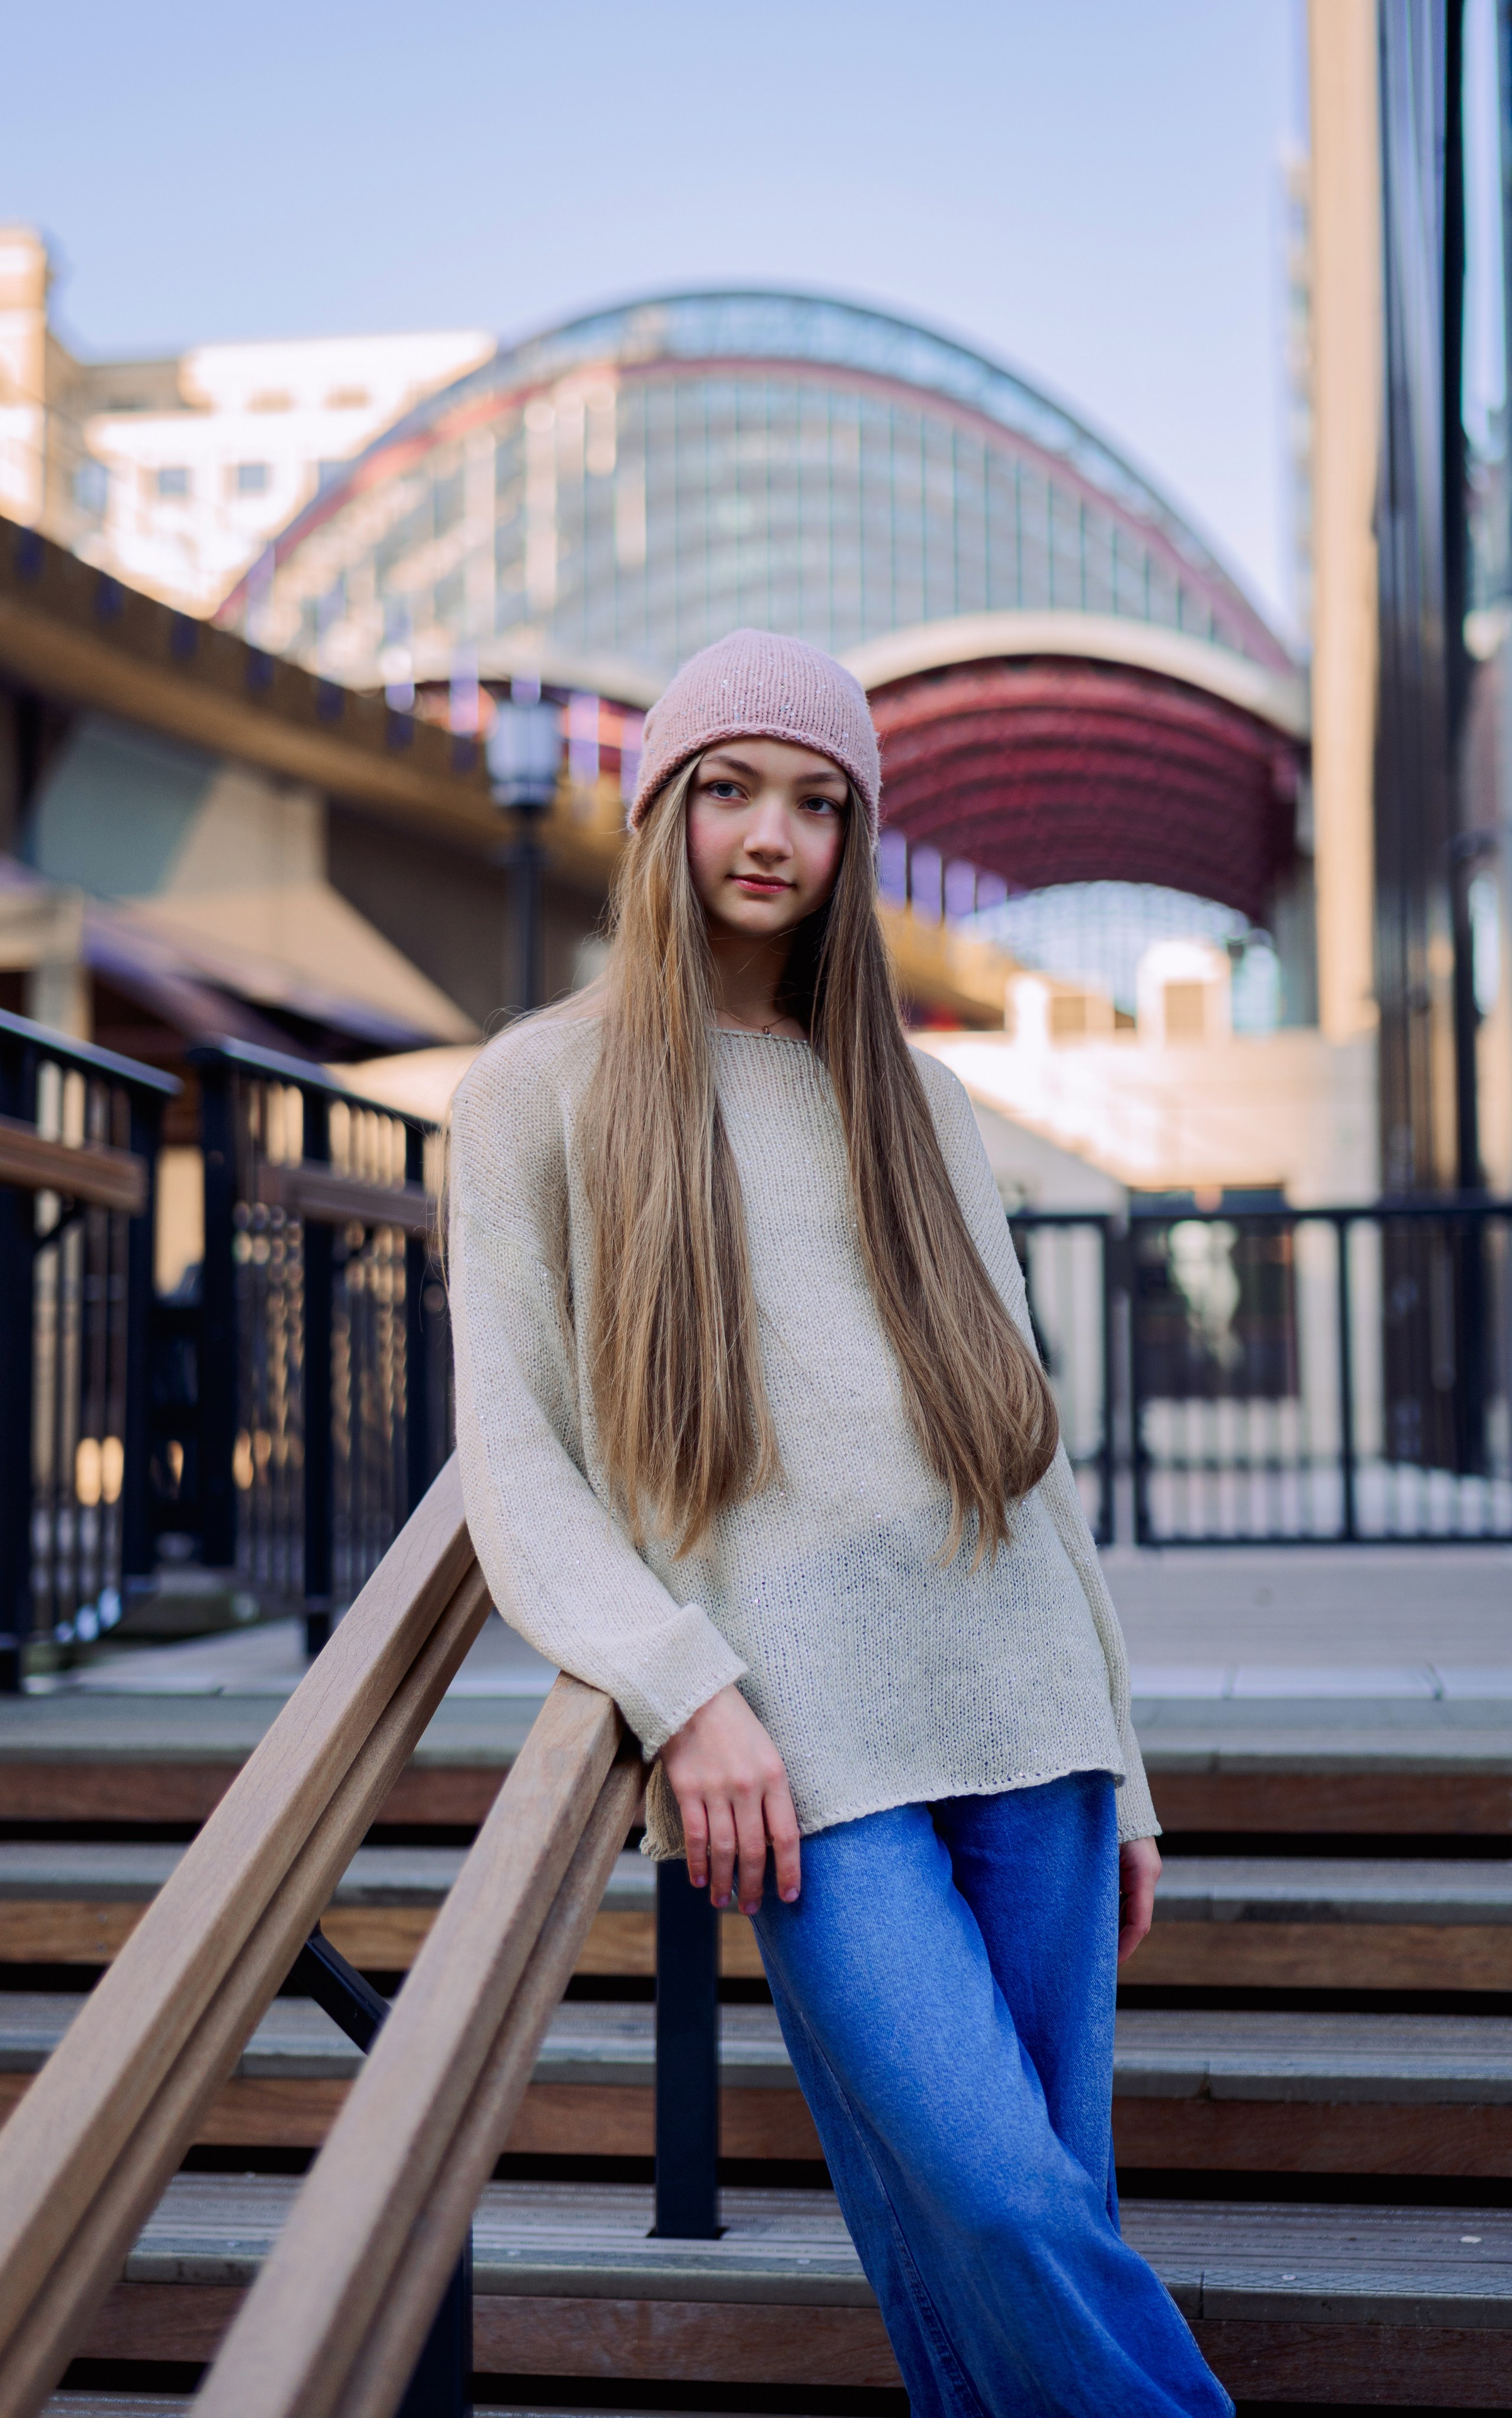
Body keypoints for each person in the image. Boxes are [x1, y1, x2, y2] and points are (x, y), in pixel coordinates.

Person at [448, 629, 1232, 2418]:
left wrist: (1125, 1755)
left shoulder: (923, 1102)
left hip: (1028, 1711)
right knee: (1001, 2196)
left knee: (1018, 2233)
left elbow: (1020, 1468)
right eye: (729, 789)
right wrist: (681, 1691)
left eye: (816, 802)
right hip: (801, 1743)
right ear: (661, 812)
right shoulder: (536, 1094)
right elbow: (523, 1465)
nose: (770, 835)